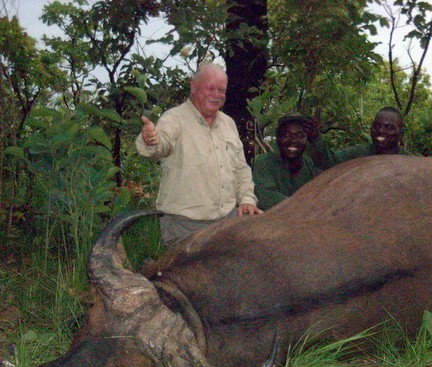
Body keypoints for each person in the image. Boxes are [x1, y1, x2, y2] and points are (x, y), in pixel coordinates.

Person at [136, 63, 262, 246]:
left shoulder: (228, 124)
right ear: (193, 86)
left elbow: (241, 168)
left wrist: (247, 199)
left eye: (222, 90)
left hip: (228, 220)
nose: (217, 95)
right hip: (185, 225)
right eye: (210, 88)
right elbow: (160, 145)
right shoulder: (174, 119)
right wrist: (150, 140)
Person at [252, 114, 320, 210]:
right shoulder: (264, 162)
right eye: (286, 135)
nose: (293, 140)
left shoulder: (308, 164)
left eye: (300, 135)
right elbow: (265, 198)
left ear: (307, 139)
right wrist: (303, 206)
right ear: (278, 137)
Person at [309, 107, 409, 170]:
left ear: (400, 133)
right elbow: (329, 162)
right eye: (376, 126)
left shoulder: (409, 161)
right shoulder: (358, 154)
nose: (381, 131)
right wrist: (315, 137)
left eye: (389, 127)